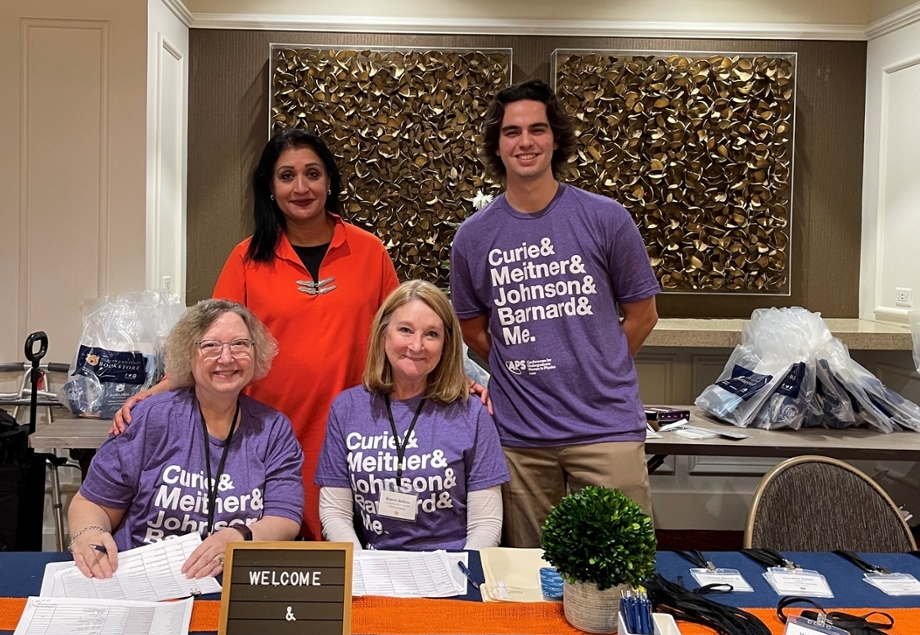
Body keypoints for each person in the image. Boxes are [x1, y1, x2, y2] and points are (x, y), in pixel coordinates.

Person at [113, 129, 399, 540]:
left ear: (330, 181)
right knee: (271, 553)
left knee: (343, 559)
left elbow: (401, 337)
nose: (300, 187)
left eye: (312, 174)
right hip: (263, 436)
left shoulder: (369, 251)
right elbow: (211, 343)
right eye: (286, 176)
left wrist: (459, 380)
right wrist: (155, 392)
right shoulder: (246, 258)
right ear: (269, 186)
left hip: (351, 433)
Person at [450, 79, 660, 548]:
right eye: (512, 132)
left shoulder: (606, 218)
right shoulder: (473, 237)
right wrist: (520, 365)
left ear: (556, 138)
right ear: (497, 145)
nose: (525, 141)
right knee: (531, 578)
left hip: (605, 427)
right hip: (520, 434)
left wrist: (599, 360)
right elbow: (473, 329)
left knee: (621, 567)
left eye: (537, 129)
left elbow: (643, 315)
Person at [68, 299, 304, 579]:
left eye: (240, 344)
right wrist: (88, 534)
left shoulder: (273, 429)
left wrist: (240, 536)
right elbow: (92, 503)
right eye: (210, 346)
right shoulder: (151, 418)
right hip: (142, 577)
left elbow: (285, 517)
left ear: (256, 353)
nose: (226, 358)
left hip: (231, 578)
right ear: (188, 356)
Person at [314, 280, 509, 550]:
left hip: (452, 567)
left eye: (431, 334)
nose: (416, 346)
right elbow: (335, 514)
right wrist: (362, 569)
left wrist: (464, 575)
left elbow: (485, 523)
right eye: (405, 330)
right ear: (384, 334)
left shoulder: (471, 412)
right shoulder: (347, 409)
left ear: (446, 344)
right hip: (373, 567)